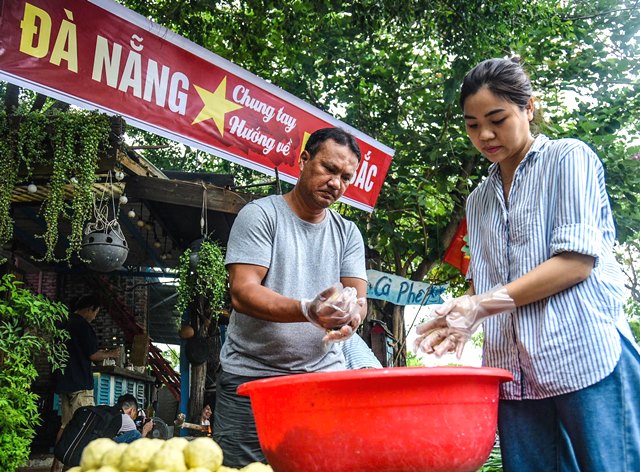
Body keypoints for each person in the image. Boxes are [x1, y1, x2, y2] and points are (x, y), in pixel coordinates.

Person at [414, 57, 640, 472]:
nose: (484, 134)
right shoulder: (478, 200)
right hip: (513, 375)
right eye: (471, 124)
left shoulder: (568, 158)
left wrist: (483, 305)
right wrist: (461, 318)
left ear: (529, 107)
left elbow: (574, 263)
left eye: (497, 119)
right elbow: (482, 283)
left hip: (584, 354)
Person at [213, 127, 368, 467]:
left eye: (345, 177)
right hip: (250, 382)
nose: (335, 183)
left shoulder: (348, 233)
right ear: (304, 160)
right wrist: (308, 310)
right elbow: (243, 291)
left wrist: (351, 317)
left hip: (321, 383)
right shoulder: (261, 215)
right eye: (328, 168)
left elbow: (358, 297)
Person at [51, 294, 120, 472]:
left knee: (66, 425)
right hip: (80, 384)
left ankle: (55, 466)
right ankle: (73, 468)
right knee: (86, 426)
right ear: (90, 309)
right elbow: (93, 355)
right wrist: (111, 353)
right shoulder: (82, 326)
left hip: (63, 382)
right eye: (96, 313)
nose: (95, 317)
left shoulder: (63, 323)